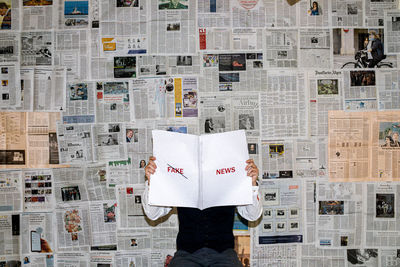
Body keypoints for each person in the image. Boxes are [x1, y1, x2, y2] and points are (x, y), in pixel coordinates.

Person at [143, 156, 262, 267]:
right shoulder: (180, 180)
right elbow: (153, 214)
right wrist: (152, 183)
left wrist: (252, 185)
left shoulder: (230, 179)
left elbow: (252, 215)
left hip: (224, 255)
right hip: (186, 255)